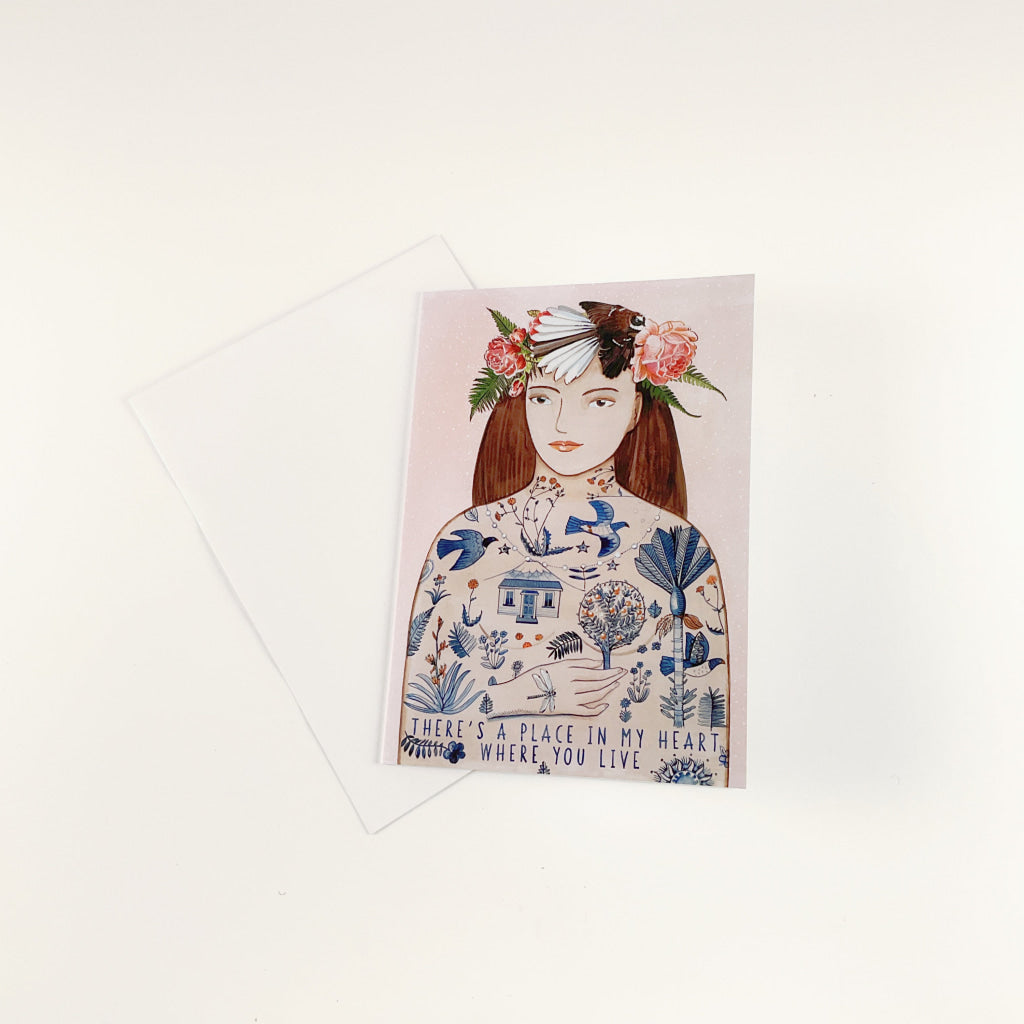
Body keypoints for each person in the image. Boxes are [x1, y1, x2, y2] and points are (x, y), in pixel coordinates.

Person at [396, 302, 730, 785]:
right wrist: (519, 695)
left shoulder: (679, 545)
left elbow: (704, 740)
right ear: (521, 399)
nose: (561, 425)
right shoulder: (461, 539)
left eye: (599, 401)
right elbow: (415, 728)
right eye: (543, 397)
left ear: (635, 409)